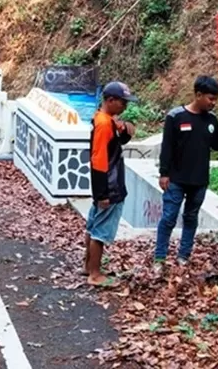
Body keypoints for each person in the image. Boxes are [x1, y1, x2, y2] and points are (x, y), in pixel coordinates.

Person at [154, 76, 218, 270]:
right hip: (175, 178)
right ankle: (159, 258)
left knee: (191, 217)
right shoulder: (175, 116)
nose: (213, 103)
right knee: (168, 217)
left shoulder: (211, 120)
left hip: (199, 180)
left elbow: (216, 144)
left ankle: (183, 256)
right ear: (198, 95)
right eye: (210, 98)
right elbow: (167, 146)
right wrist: (164, 173)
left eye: (215, 99)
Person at [85, 81, 137, 287]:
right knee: (100, 232)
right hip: (110, 185)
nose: (125, 106)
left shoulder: (105, 119)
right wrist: (103, 193)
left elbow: (120, 139)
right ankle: (95, 274)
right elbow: (98, 160)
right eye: (122, 102)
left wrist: (125, 129)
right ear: (110, 100)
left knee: (93, 226)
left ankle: (88, 266)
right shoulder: (104, 124)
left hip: (106, 184)